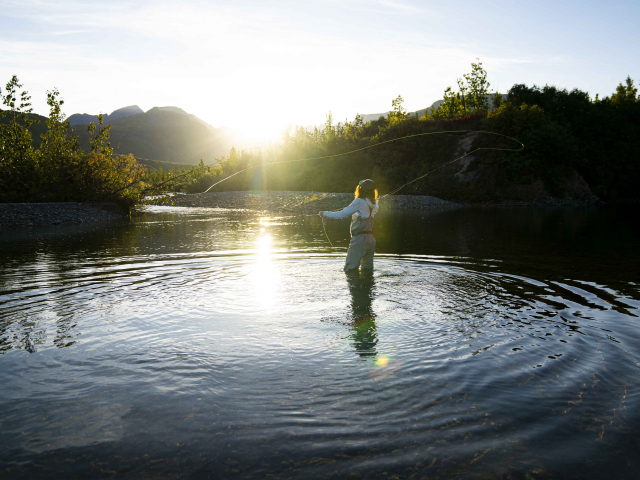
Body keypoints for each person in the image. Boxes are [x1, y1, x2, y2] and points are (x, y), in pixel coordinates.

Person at [319, 179, 379, 272]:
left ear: (361, 189)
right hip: (371, 239)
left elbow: (342, 214)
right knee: (367, 270)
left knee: (349, 270)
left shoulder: (359, 201)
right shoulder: (375, 204)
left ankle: (353, 286)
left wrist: (324, 213)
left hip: (359, 239)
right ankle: (368, 286)